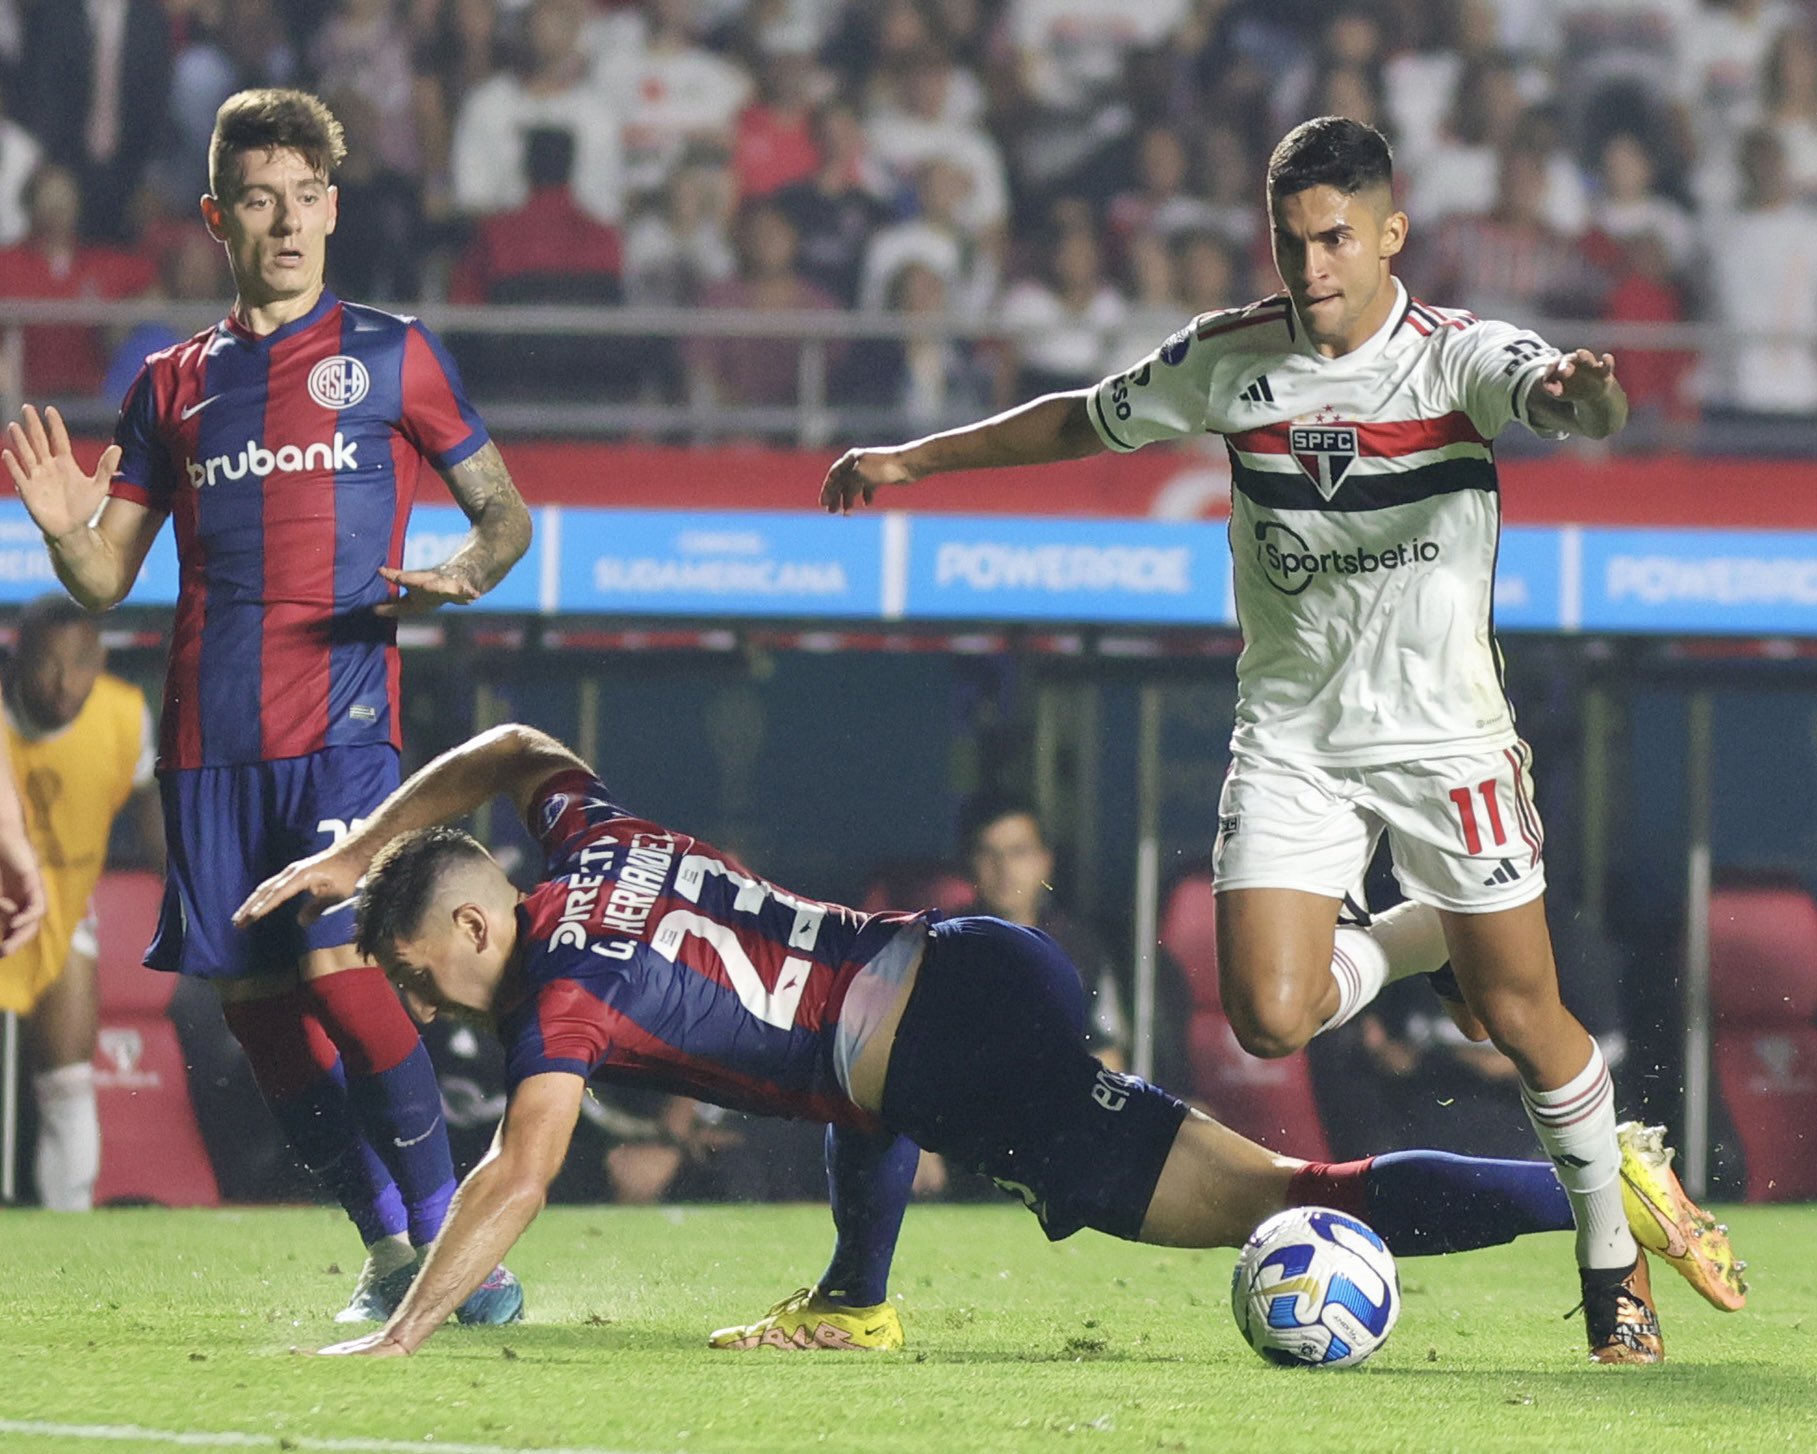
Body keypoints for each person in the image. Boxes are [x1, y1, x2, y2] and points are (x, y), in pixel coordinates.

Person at [814, 116, 1711, 1364]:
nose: (1312, 264)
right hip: (1290, 731)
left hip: (1443, 738)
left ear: (1390, 234)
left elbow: (1565, 394)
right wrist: (916, 458)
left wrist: (1586, 391)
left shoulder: (1457, 359)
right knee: (1268, 1014)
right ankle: (1427, 932)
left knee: (1520, 1013)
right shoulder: (1231, 359)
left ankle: (1612, 1250)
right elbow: (1084, 416)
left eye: (1336, 236)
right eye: (1292, 241)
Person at [232, 723, 1743, 1359]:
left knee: (1297, 1190)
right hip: (956, 966)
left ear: (481, 928)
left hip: (963, 1046)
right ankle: (853, 1298)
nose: (432, 1008)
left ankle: (1596, 1176)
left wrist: (406, 1323)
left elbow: (523, 1163)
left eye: (427, 979)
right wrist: (371, 846)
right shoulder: (590, 836)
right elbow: (514, 752)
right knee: (847, 1081)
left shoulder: (560, 987)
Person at [0, 88, 533, 1323]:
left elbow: (504, 512)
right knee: (260, 1020)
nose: (286, 222)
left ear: (334, 209)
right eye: (259, 199)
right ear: (216, 216)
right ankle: (389, 1249)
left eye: (304, 198)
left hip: (346, 734)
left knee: (344, 968)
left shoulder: (393, 351)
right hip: (206, 745)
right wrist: (62, 532)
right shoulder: (169, 382)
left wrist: (468, 568)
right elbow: (108, 576)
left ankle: (464, 1237)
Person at [0, 595, 163, 1210]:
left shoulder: (124, 717)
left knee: (68, 1074)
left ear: (100, 661)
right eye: (48, 664)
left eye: (80, 664)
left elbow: (151, 814)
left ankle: (68, 1227)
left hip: (63, 908)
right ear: (17, 661)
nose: (64, 682)